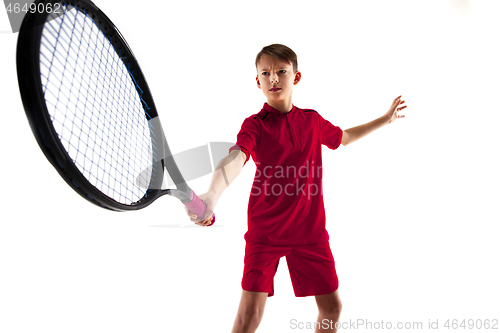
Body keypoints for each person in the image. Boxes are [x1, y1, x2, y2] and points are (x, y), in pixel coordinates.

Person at [185, 44, 407, 333]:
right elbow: (236, 157)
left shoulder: (312, 121)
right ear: (258, 82)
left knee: (332, 308)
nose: (273, 78)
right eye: (265, 73)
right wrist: (212, 194)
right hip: (266, 232)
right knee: (250, 315)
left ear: (296, 77)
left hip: (310, 232)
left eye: (281, 71)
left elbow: (345, 137)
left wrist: (385, 119)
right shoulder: (255, 125)